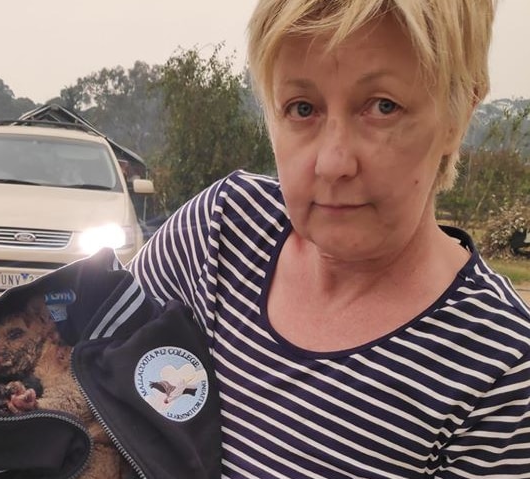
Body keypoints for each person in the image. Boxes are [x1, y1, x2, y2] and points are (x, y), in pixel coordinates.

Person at [127, 0, 530, 477]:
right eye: (302, 108)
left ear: (458, 115)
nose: (333, 162)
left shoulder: (500, 367)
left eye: (383, 107)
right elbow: (75, 384)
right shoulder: (219, 233)